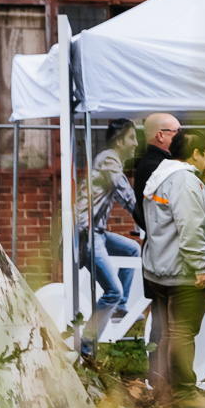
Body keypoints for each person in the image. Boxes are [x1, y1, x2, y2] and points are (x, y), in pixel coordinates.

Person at [140, 130, 205, 408]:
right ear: (196, 152)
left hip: (162, 268)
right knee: (183, 333)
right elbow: (189, 226)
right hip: (184, 271)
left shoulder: (163, 176)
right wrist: (200, 266)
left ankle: (167, 392)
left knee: (169, 334)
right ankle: (184, 397)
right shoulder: (185, 180)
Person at [74, 118, 141, 357]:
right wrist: (146, 217)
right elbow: (126, 194)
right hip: (87, 233)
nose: (135, 144)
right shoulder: (109, 160)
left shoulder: (109, 160)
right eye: (132, 138)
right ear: (120, 140)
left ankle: (119, 309)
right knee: (113, 290)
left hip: (98, 232)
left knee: (133, 249)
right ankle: (86, 344)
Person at [132, 113, 182, 236]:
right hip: (165, 242)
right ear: (160, 135)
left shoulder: (156, 163)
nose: (182, 137)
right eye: (177, 132)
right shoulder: (156, 167)